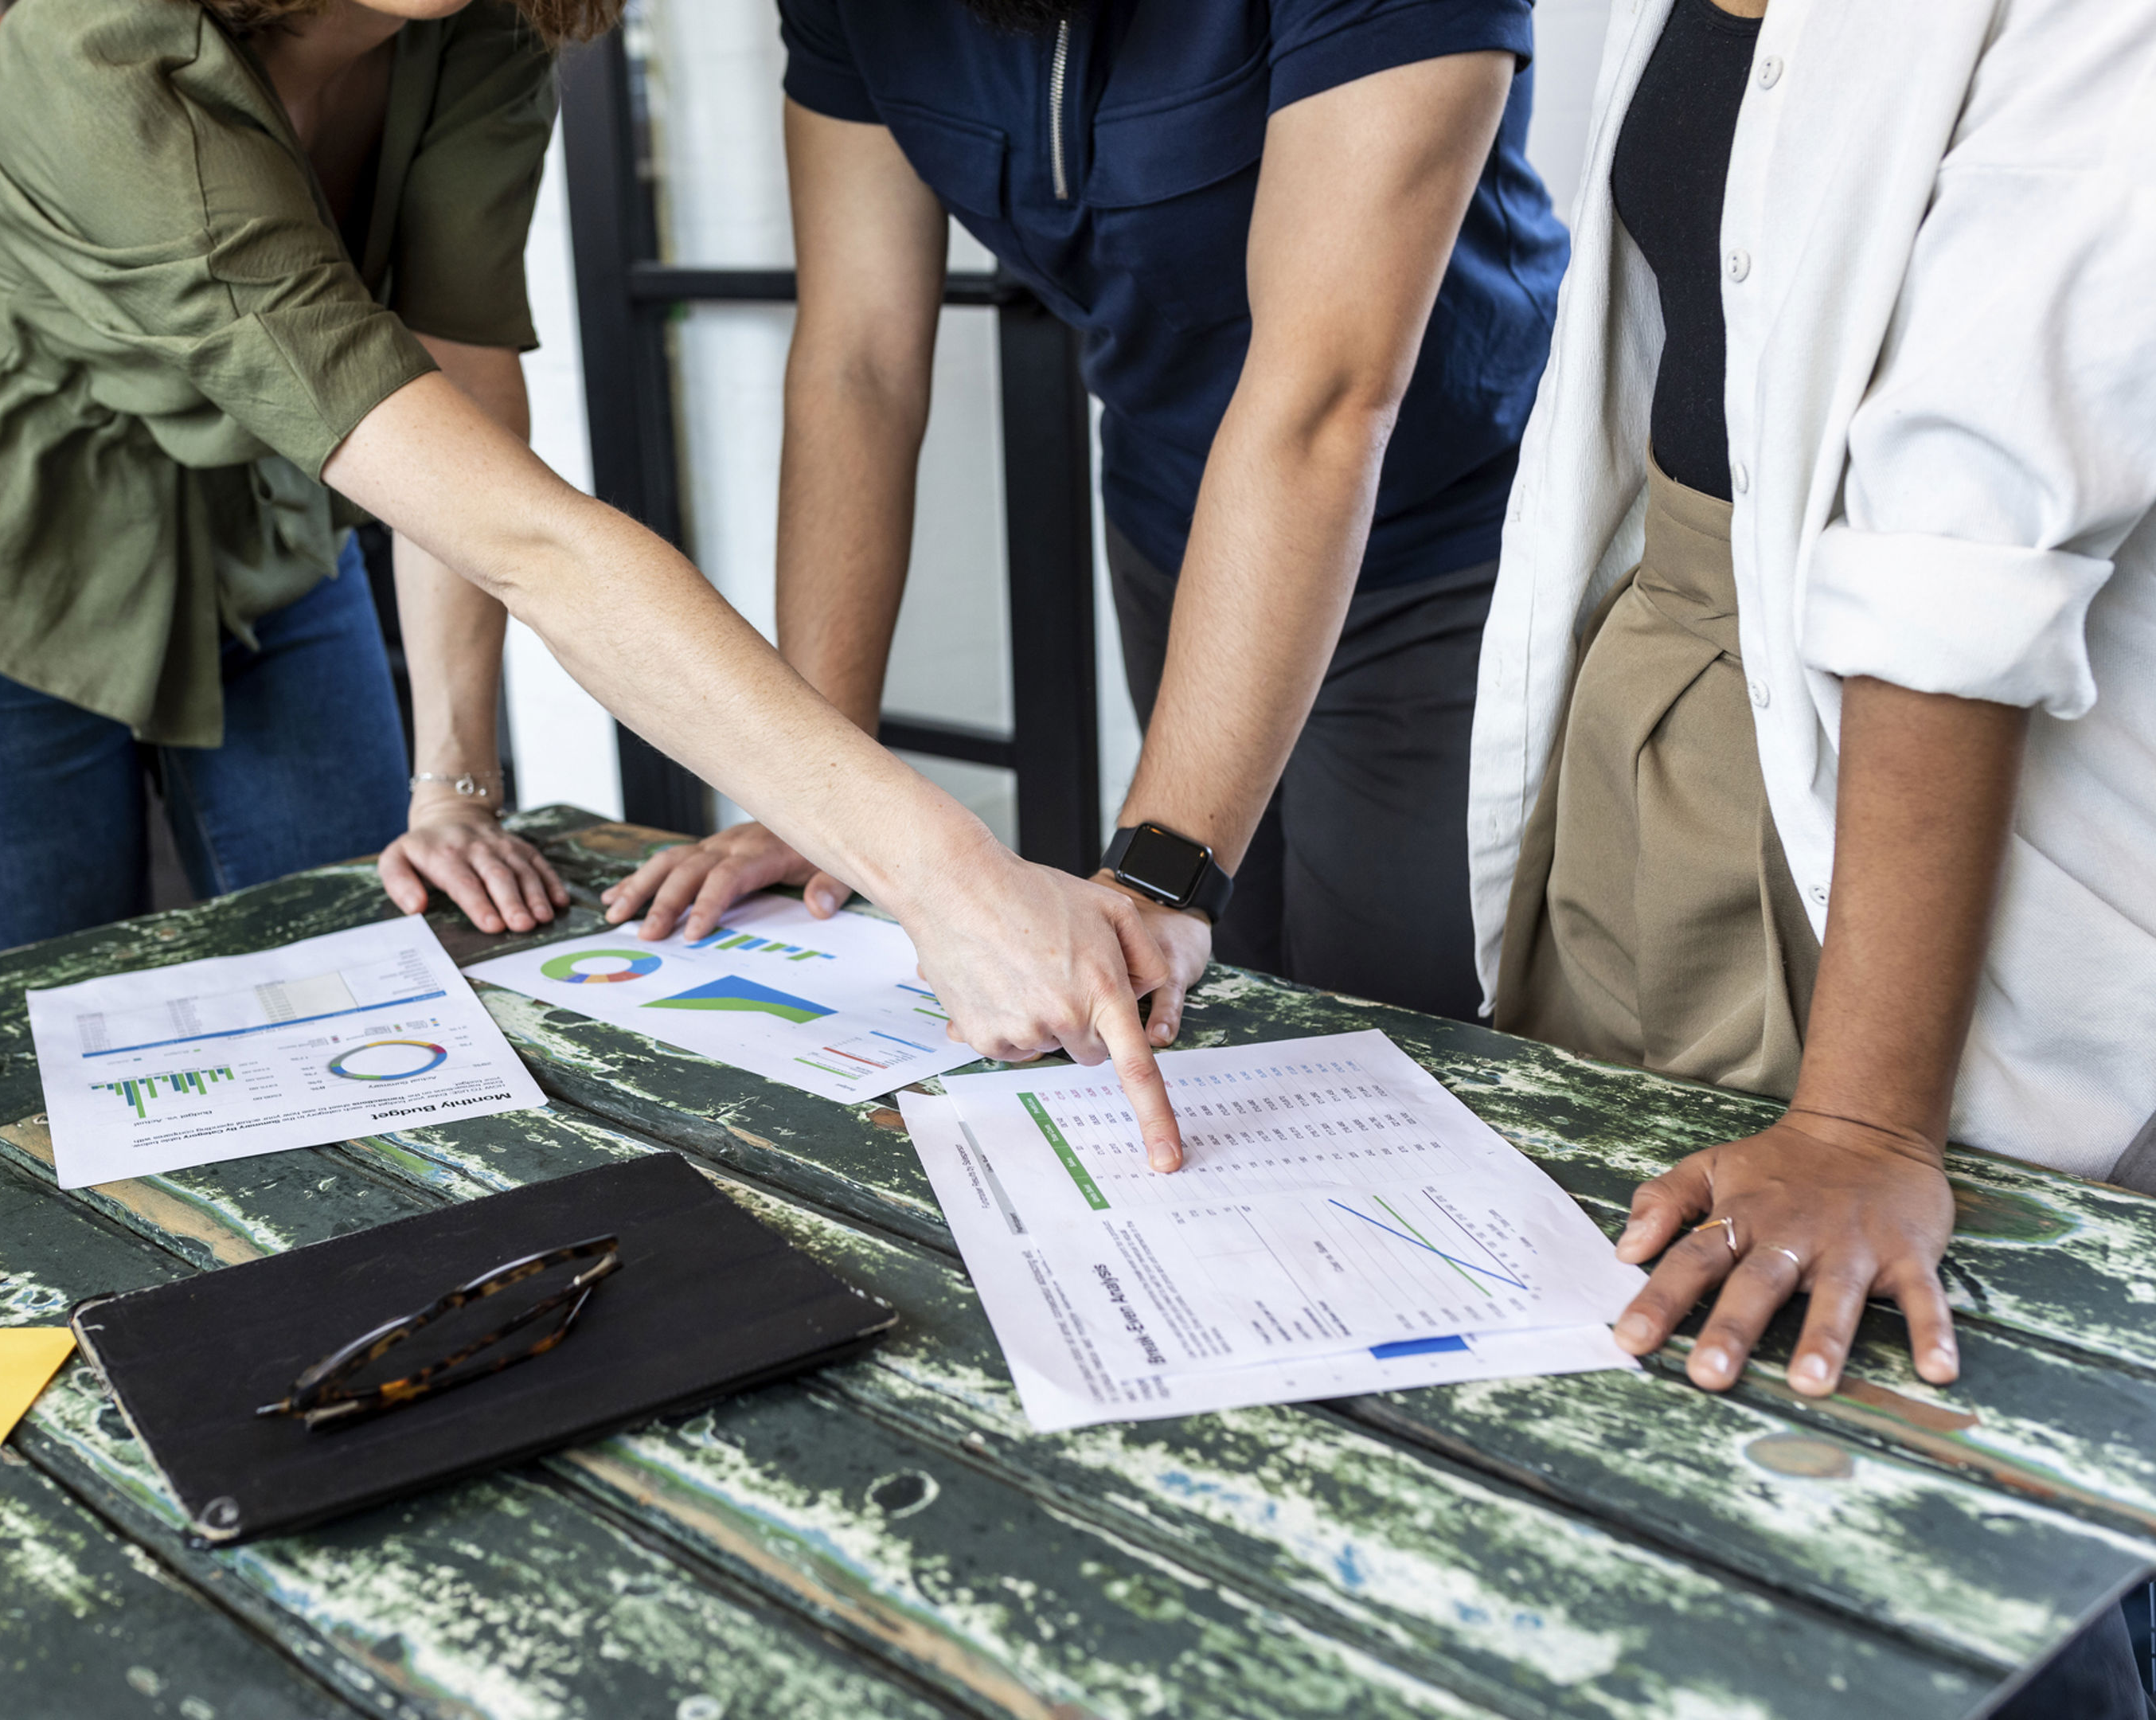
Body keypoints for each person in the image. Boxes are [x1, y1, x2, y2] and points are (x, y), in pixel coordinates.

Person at [0, 0, 1193, 1165]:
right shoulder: (104, 63)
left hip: (270, 542)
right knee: (62, 1052)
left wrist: (454, 775)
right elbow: (534, 541)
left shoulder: (473, 31)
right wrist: (952, 877)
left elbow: (463, 401)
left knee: (368, 1010)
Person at [1473, 0, 2154, 1709]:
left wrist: (1861, 1118)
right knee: (1635, 1391)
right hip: (1657, 709)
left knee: (1918, 1486)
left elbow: (1963, 537)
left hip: (1936, 781)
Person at [601, 0, 1568, 1037]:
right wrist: (814, 798)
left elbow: (1324, 404)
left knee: (1387, 1015)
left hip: (1447, 543)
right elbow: (857, 369)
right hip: (1171, 513)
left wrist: (1159, 874)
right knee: (1217, 996)